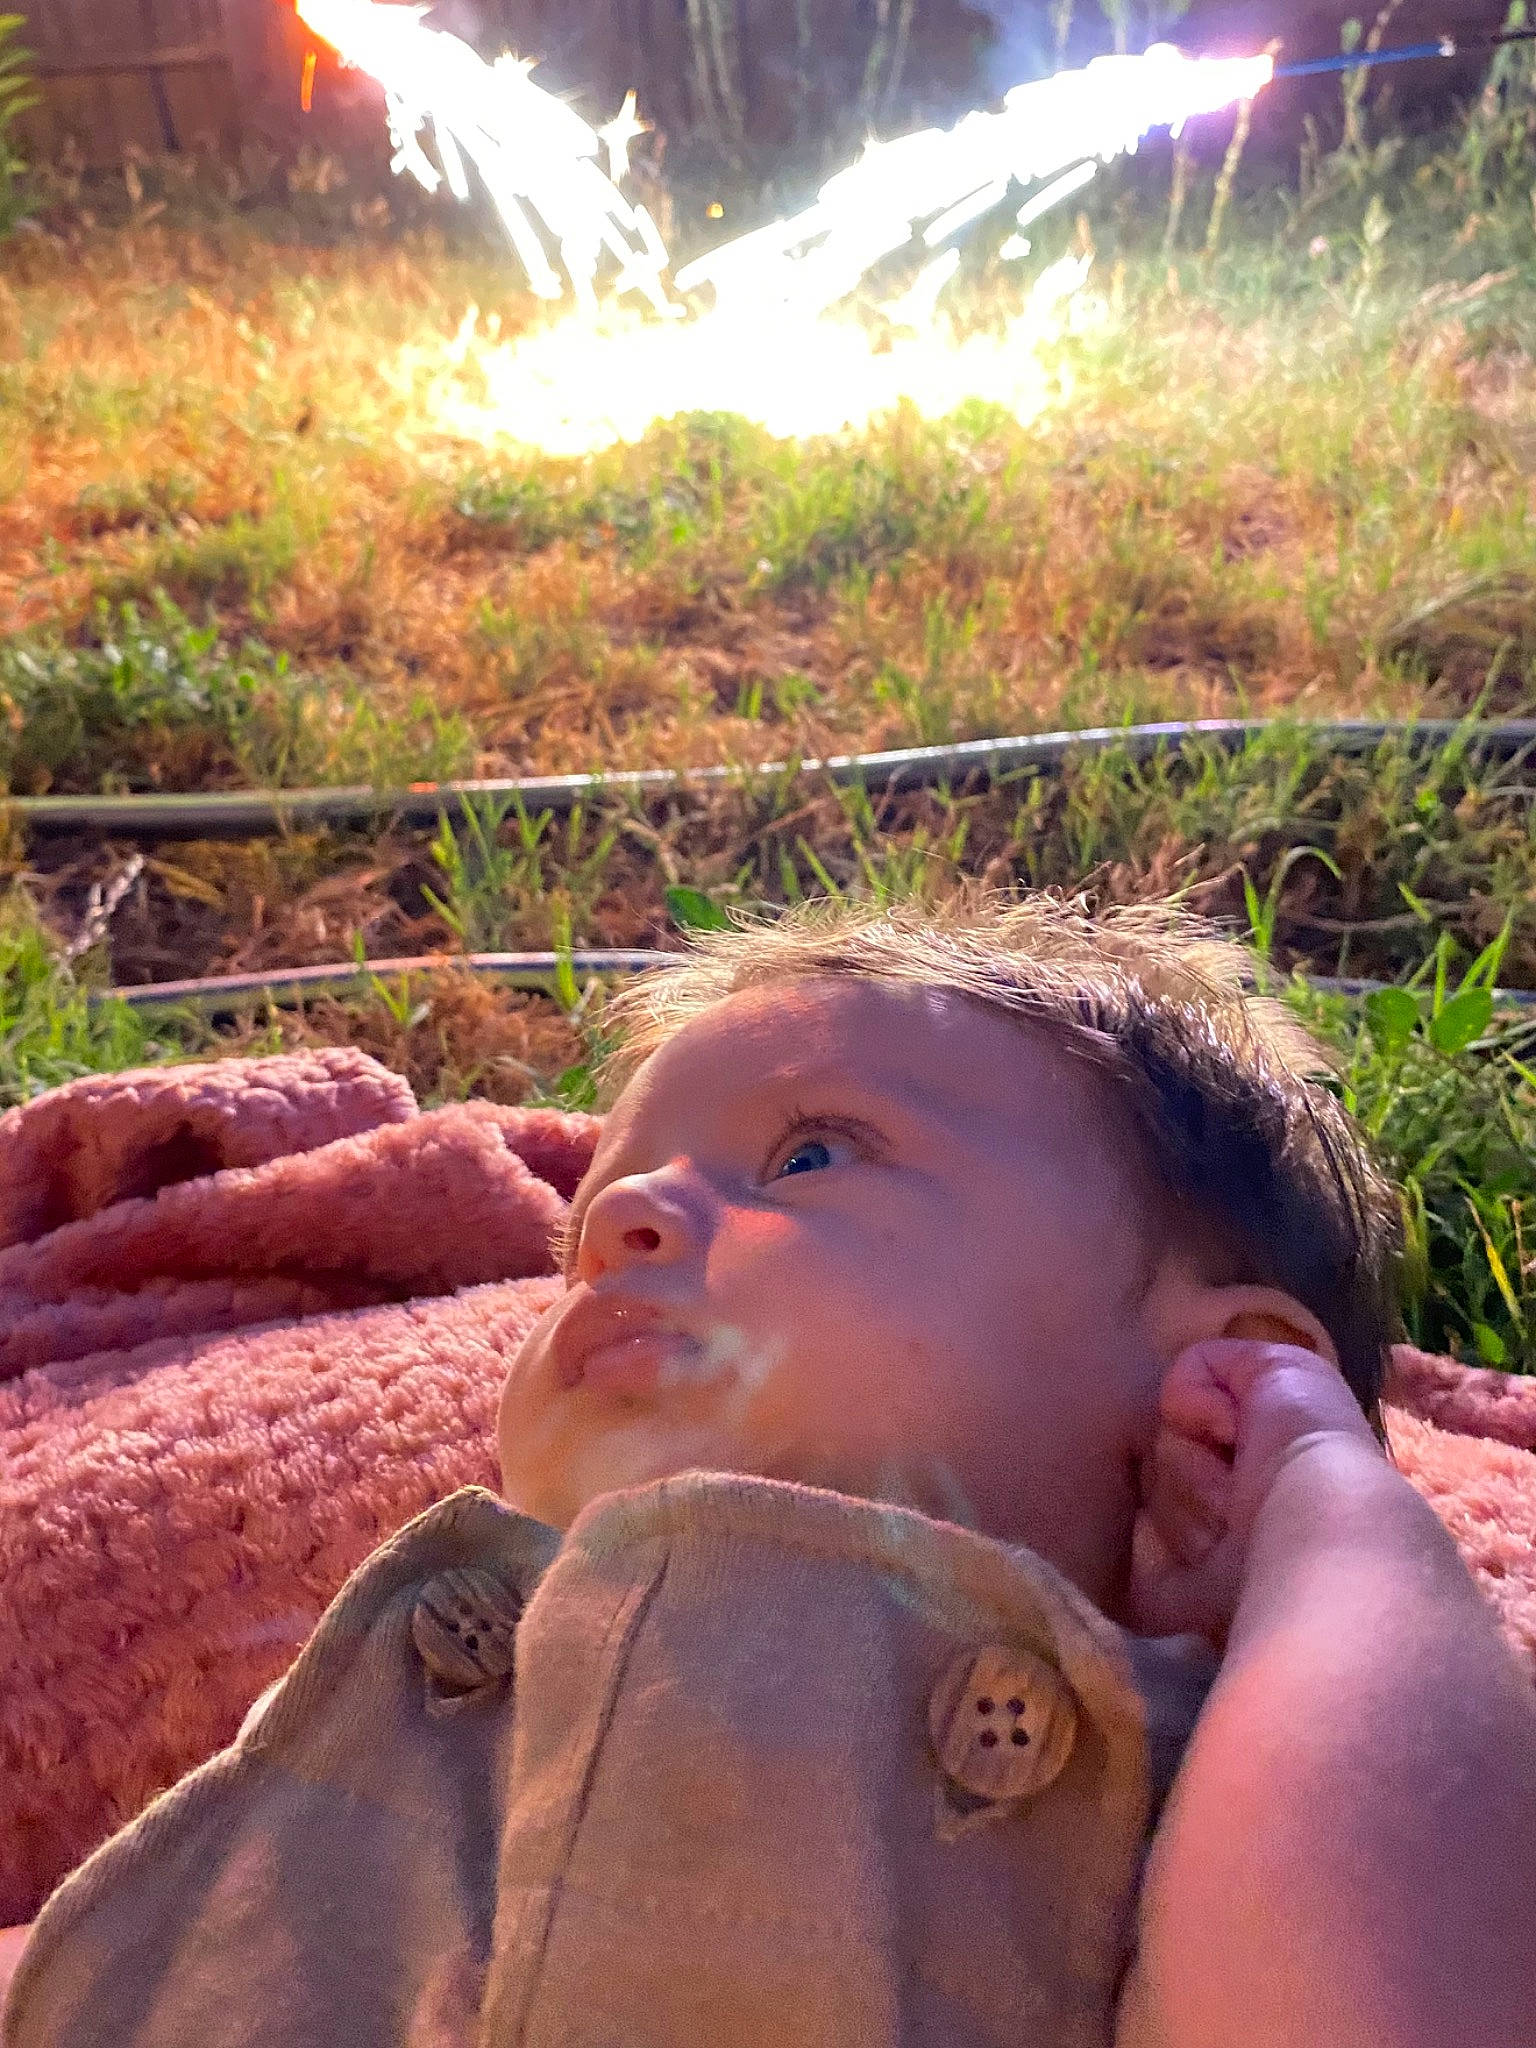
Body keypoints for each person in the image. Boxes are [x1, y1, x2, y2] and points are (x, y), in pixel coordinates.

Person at [6, 891, 1535, 2048]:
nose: (622, 1226)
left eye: (809, 1157)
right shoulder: (393, 1708)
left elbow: (1381, 1963)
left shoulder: (1190, 1793)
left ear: (1218, 1395)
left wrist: (1329, 1515)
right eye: (593, 1221)